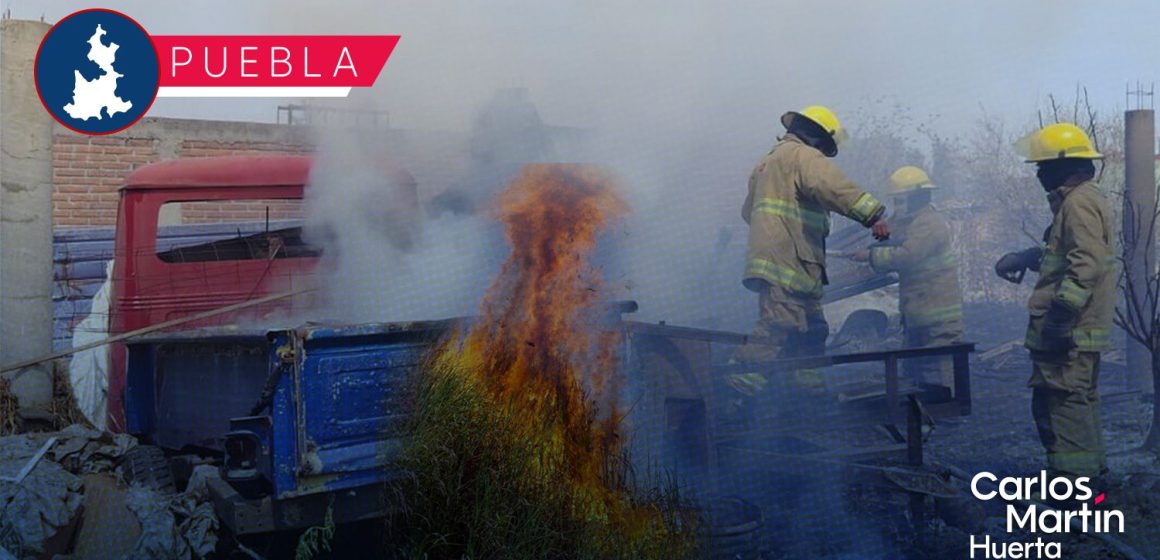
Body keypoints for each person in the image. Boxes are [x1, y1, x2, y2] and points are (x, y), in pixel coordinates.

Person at [729, 105, 891, 395]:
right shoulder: (803, 156)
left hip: (791, 259)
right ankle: (738, 388)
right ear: (818, 136)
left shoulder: (766, 163)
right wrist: (874, 215)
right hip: (788, 258)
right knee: (778, 324)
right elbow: (834, 187)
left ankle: (806, 392)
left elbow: (748, 212)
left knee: (813, 328)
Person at [995, 123, 1114, 480]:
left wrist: (1062, 317)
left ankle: (1074, 495)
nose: (1039, 174)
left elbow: (1086, 264)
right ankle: (1091, 484)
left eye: (1043, 166)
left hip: (1068, 331)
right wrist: (1027, 256)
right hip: (1079, 330)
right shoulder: (1084, 200)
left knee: (1062, 409)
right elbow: (1069, 254)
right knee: (1077, 404)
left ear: (1065, 166)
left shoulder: (1077, 204)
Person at [851, 166, 963, 389]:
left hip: (938, 315)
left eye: (901, 201)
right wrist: (878, 234)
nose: (898, 206)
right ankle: (922, 411)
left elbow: (907, 256)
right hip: (918, 310)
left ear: (917, 198)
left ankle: (948, 408)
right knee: (915, 367)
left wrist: (871, 255)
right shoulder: (912, 221)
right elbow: (892, 233)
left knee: (941, 366)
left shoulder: (930, 223)